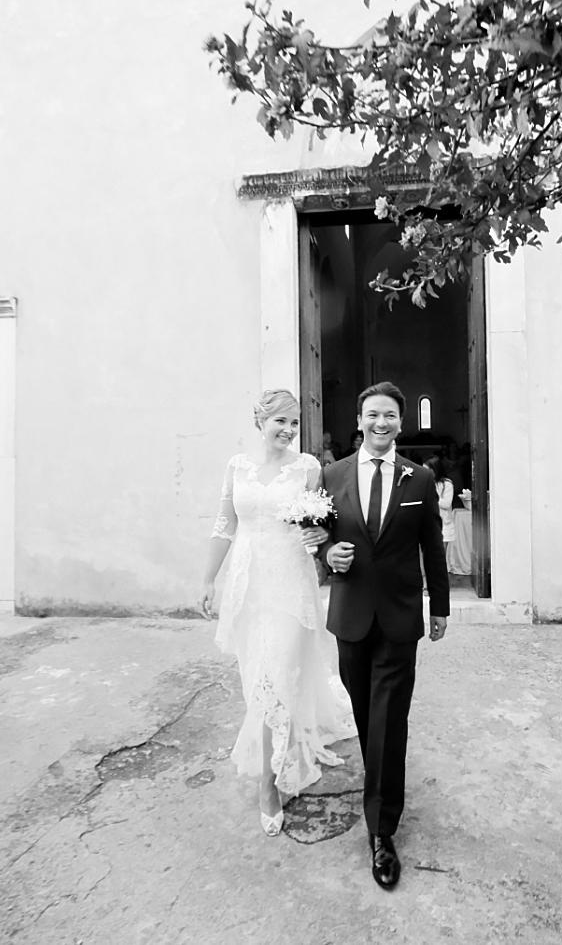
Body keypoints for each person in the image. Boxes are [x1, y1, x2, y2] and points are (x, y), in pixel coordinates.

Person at [200, 389, 355, 836]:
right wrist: (209, 578)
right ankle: (277, 748)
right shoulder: (237, 467)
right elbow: (224, 524)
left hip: (290, 581)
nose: (288, 431)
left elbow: (325, 522)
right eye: (280, 422)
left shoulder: (307, 469)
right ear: (260, 422)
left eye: (294, 423)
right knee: (256, 676)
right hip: (249, 584)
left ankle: (269, 783)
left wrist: (318, 539)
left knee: (277, 673)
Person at [318, 381, 449, 891]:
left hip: (398, 621)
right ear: (360, 420)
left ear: (401, 421)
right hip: (350, 617)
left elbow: (433, 548)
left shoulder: (419, 479)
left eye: (390, 416)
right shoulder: (331, 476)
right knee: (366, 714)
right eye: (373, 414)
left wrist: (439, 606)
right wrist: (327, 556)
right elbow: (318, 534)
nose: (381, 423)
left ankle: (381, 830)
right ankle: (380, 786)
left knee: (389, 720)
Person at [425, 454, 457, 564]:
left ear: (435, 470)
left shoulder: (446, 484)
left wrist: (431, 498)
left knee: (440, 555)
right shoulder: (426, 483)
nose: (425, 473)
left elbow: (446, 504)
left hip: (444, 524)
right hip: (428, 524)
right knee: (428, 555)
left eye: (427, 470)